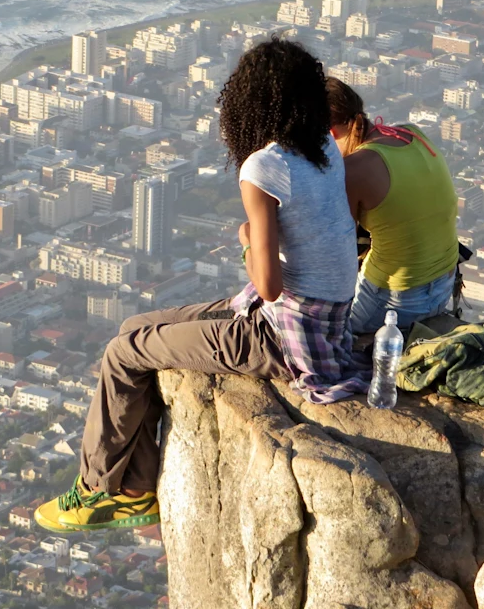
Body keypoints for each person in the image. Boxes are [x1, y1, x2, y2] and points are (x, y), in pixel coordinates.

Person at [35, 39, 367, 534]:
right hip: (329, 316)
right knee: (133, 329)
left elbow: (270, 285)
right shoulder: (323, 147)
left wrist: (247, 240)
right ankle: (136, 487)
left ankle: (100, 490)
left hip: (284, 333)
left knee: (124, 354)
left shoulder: (264, 167)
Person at [326, 78, 459, 335]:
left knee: (331, 335)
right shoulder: (412, 133)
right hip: (444, 285)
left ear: (330, 132)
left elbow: (336, 252)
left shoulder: (354, 169)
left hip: (395, 301)